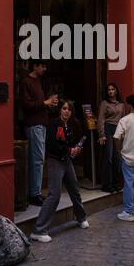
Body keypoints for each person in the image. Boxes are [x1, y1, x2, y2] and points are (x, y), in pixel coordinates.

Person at [30, 100, 89, 243]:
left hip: (67, 160)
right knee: (54, 195)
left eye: (69, 109)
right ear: (59, 110)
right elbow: (51, 144)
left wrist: (76, 149)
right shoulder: (53, 124)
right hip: (55, 160)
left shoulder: (73, 124)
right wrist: (69, 150)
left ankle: (81, 218)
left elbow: (77, 139)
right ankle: (38, 231)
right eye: (64, 108)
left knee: (74, 190)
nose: (66, 111)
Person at [20, 60, 58, 206]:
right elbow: (26, 105)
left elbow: (40, 103)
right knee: (37, 160)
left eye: (45, 66)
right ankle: (34, 194)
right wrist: (45, 103)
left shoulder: (40, 81)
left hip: (41, 124)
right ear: (34, 66)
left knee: (38, 159)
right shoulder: (26, 82)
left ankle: (35, 192)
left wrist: (50, 104)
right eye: (42, 66)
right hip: (34, 125)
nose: (44, 69)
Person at [97, 83, 125, 193]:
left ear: (116, 91)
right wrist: (101, 134)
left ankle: (115, 183)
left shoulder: (121, 104)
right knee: (108, 158)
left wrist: (123, 133)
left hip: (118, 130)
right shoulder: (104, 103)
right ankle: (106, 185)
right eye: (109, 89)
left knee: (117, 158)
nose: (110, 91)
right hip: (108, 129)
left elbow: (123, 120)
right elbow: (101, 119)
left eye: (113, 89)